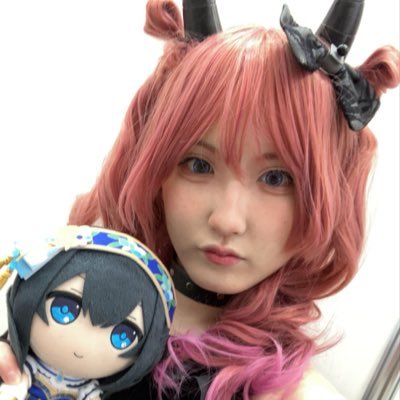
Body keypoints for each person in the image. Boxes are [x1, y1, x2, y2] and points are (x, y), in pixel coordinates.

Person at [1, 0, 399, 399]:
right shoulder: (68, 293)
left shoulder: (290, 392)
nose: (227, 220)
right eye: (199, 165)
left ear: (325, 192)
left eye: (276, 178)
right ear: (156, 168)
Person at [0, 225, 175, 399]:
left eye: (122, 336)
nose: (83, 346)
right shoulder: (27, 366)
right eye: (64, 309)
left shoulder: (91, 389)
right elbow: (18, 382)